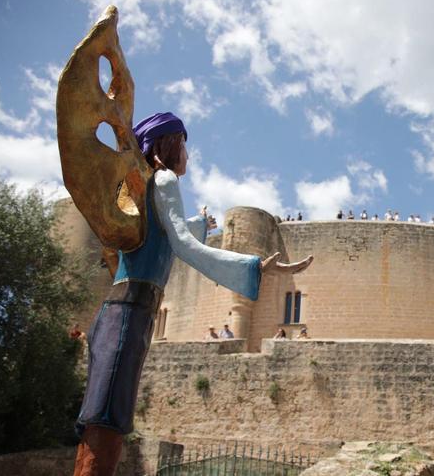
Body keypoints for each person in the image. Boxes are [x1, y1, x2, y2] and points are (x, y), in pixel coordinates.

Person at [72, 112, 313, 476]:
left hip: (119, 312)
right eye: (184, 144)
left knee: (101, 423)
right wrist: (257, 267)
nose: (188, 155)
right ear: (169, 145)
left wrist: (199, 224)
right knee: (107, 425)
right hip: (130, 313)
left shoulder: (137, 187)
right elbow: (182, 245)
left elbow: (160, 233)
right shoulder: (165, 180)